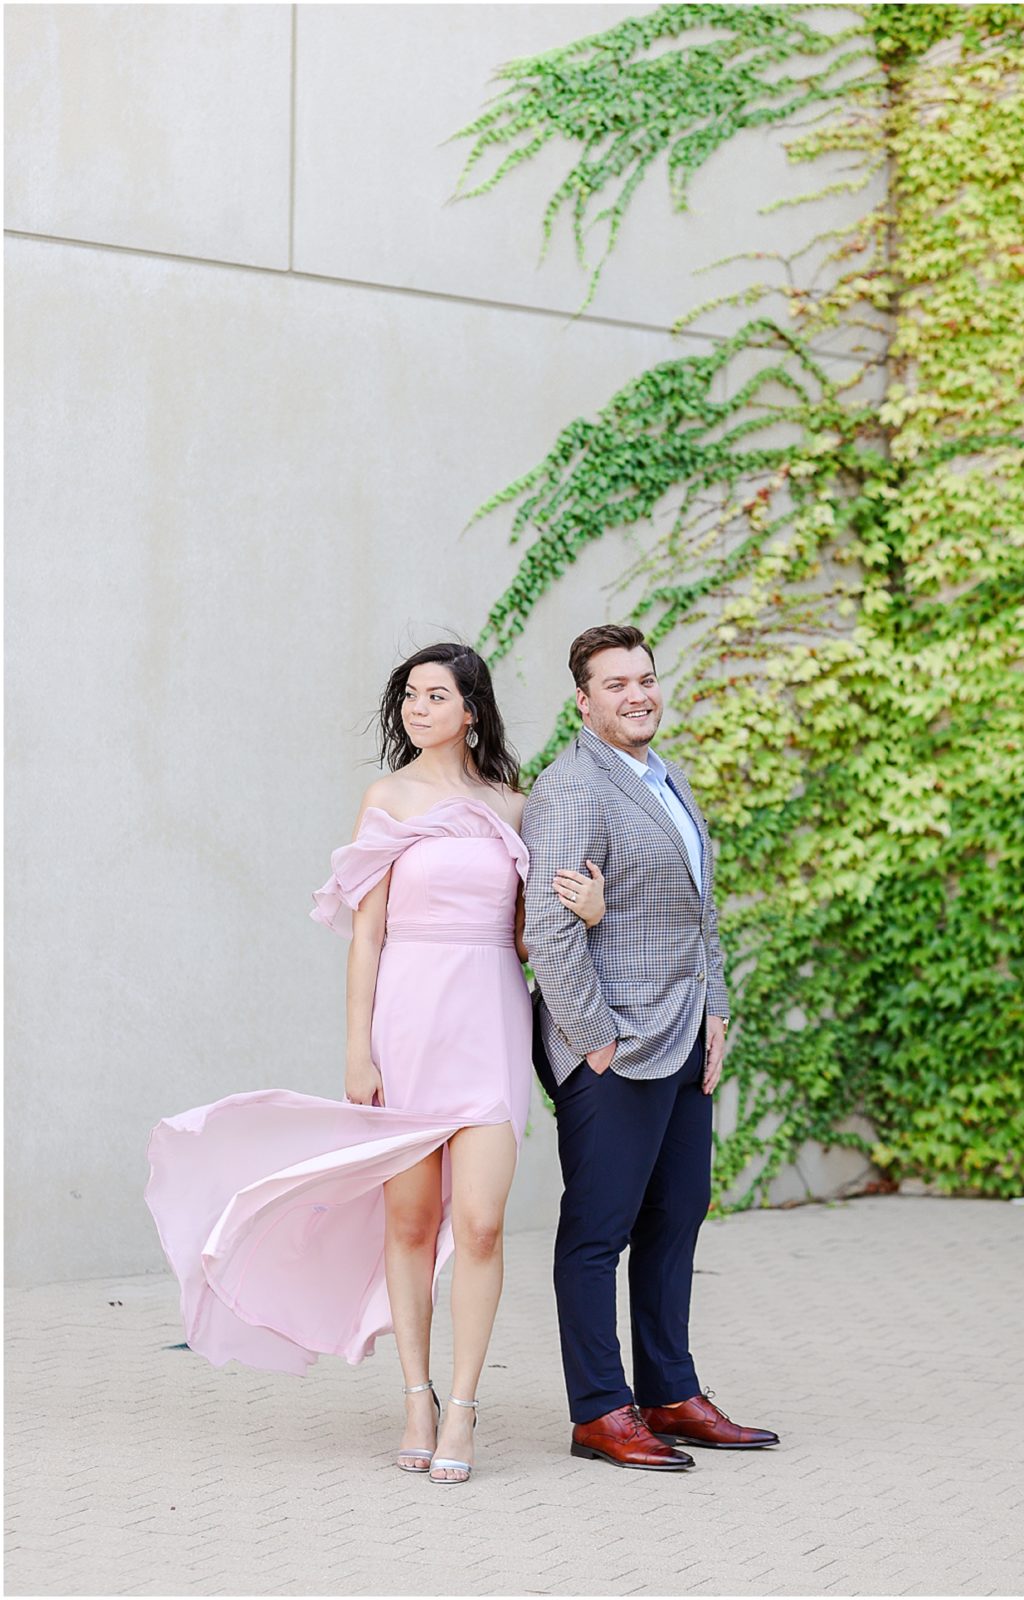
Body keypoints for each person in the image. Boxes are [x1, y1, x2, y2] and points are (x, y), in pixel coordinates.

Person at [146, 642, 604, 1486]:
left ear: (472, 710)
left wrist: (590, 911)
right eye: (409, 696)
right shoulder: (386, 799)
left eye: (436, 695)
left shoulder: (514, 806)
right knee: (408, 1223)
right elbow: (366, 936)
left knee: (480, 1225)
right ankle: (417, 1397)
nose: (417, 708)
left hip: (490, 1020)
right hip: (407, 1023)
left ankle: (465, 1404)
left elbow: (523, 936)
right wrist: (357, 1048)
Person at [520, 623, 779, 1470]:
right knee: (598, 1230)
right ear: (583, 701)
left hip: (683, 1035)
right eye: (616, 683)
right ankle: (599, 1410)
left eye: (645, 678)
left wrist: (717, 1008)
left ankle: (670, 1392)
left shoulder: (664, 779)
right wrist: (594, 1043)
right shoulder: (569, 791)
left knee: (675, 1219)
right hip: (616, 1046)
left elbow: (700, 910)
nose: (638, 694)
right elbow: (548, 933)